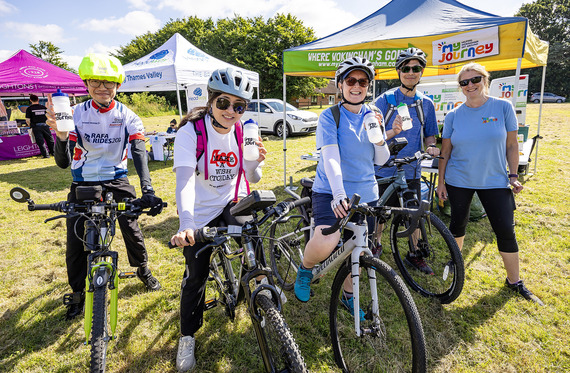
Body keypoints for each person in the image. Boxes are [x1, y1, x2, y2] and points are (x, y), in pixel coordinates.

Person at [45, 53, 165, 321]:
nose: (102, 88)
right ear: (86, 84)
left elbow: (138, 152)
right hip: (83, 180)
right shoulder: (74, 114)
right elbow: (63, 163)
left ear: (118, 86)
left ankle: (143, 270)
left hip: (116, 177)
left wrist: (148, 190)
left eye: (109, 83)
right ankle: (77, 293)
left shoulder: (128, 115)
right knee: (74, 240)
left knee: (131, 226)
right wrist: (62, 136)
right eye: (96, 82)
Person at [169, 67, 266, 372]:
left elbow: (251, 176)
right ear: (211, 101)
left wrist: (256, 163)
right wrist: (186, 224)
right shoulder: (191, 132)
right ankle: (187, 336)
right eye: (224, 103)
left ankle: (262, 289)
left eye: (239, 106)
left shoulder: (243, 131)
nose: (231, 112)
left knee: (252, 231)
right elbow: (184, 180)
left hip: (229, 200)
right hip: (198, 211)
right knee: (195, 276)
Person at [436, 62, 543, 305]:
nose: (470, 85)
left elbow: (512, 145)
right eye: (464, 82)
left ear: (485, 80)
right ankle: (456, 261)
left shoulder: (503, 107)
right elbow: (445, 150)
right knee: (457, 224)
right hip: (459, 179)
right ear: (460, 87)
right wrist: (441, 182)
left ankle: (514, 281)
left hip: (495, 180)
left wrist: (514, 176)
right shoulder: (453, 115)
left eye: (475, 80)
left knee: (505, 229)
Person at [293, 57, 389, 318]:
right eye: (351, 80)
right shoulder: (330, 116)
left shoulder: (372, 116)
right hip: (330, 189)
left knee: (357, 249)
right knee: (328, 239)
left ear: (368, 86)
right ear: (340, 85)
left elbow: (381, 160)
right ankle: (305, 269)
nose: (357, 86)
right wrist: (337, 194)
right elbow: (331, 157)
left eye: (362, 81)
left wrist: (379, 136)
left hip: (366, 192)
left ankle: (348, 296)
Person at [373, 47, 440, 273]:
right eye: (406, 68)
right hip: (384, 167)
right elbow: (373, 133)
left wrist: (431, 146)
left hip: (412, 167)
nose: (411, 72)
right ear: (399, 71)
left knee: (414, 212)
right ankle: (376, 244)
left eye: (416, 68)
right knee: (380, 211)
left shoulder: (426, 103)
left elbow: (430, 133)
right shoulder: (385, 100)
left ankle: (414, 253)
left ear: (421, 72)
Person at [26, 94, 55, 158]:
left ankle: (46, 155)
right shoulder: (43, 107)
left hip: (36, 126)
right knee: (50, 140)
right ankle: (54, 153)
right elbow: (49, 116)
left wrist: (30, 125)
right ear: (38, 99)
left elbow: (28, 120)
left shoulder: (29, 109)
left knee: (40, 141)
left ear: (30, 100)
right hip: (45, 125)